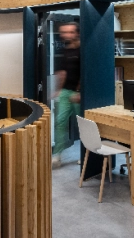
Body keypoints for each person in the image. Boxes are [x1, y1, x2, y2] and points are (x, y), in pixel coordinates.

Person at [52, 21, 81, 168]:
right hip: (65, 91)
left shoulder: (83, 49)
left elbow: (86, 73)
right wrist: (58, 90)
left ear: (77, 33)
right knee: (60, 122)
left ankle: (85, 154)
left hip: (79, 93)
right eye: (64, 32)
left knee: (82, 124)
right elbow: (62, 72)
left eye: (70, 32)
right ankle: (57, 154)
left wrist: (79, 92)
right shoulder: (65, 50)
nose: (66, 35)